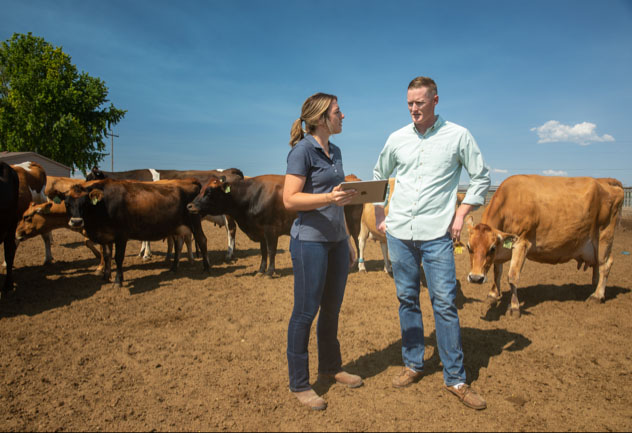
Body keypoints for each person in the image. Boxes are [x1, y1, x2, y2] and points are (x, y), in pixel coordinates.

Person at [373, 76, 491, 410]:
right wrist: (381, 215)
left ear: (435, 101)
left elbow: (481, 176)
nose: (414, 109)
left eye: (420, 103)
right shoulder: (397, 138)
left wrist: (462, 211)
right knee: (407, 298)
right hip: (399, 234)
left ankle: (455, 378)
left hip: (438, 235)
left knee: (444, 302)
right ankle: (413, 363)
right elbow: (379, 175)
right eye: (409, 103)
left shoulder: (458, 135)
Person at [283, 92, 362, 411]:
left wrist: (347, 238)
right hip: (309, 242)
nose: (343, 116)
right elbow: (290, 200)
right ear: (320, 118)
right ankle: (300, 383)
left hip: (336, 242)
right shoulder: (302, 151)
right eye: (338, 112)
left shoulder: (337, 151)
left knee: (331, 309)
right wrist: (328, 199)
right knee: (305, 313)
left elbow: (338, 198)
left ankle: (331, 366)